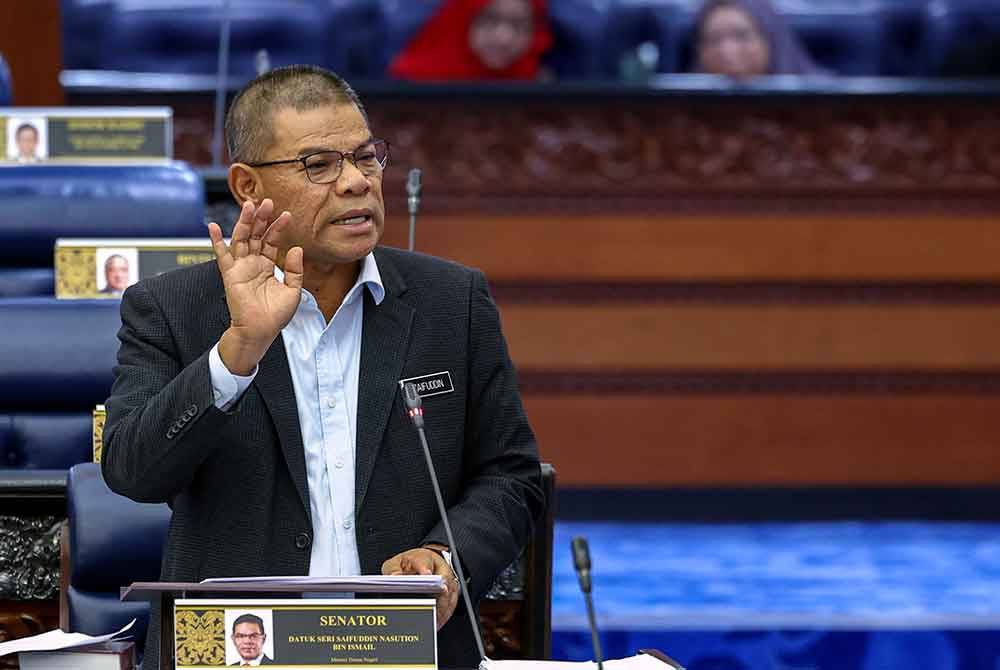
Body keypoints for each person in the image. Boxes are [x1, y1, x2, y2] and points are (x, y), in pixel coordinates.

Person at [101, 64, 543, 670]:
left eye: (365, 158)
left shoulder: (452, 301)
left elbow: (511, 476)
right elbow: (131, 472)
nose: (356, 182)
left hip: (406, 652)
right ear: (247, 186)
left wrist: (446, 556)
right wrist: (238, 351)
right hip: (238, 655)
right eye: (319, 165)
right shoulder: (173, 307)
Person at [389, 0, 552, 81]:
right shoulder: (413, 83)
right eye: (489, 19)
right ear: (461, 20)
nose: (504, 38)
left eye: (520, 25)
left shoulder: (540, 86)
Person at [692, 0, 823, 80]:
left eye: (741, 36)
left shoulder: (824, 101)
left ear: (772, 39)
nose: (726, 51)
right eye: (713, 40)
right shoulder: (686, 107)